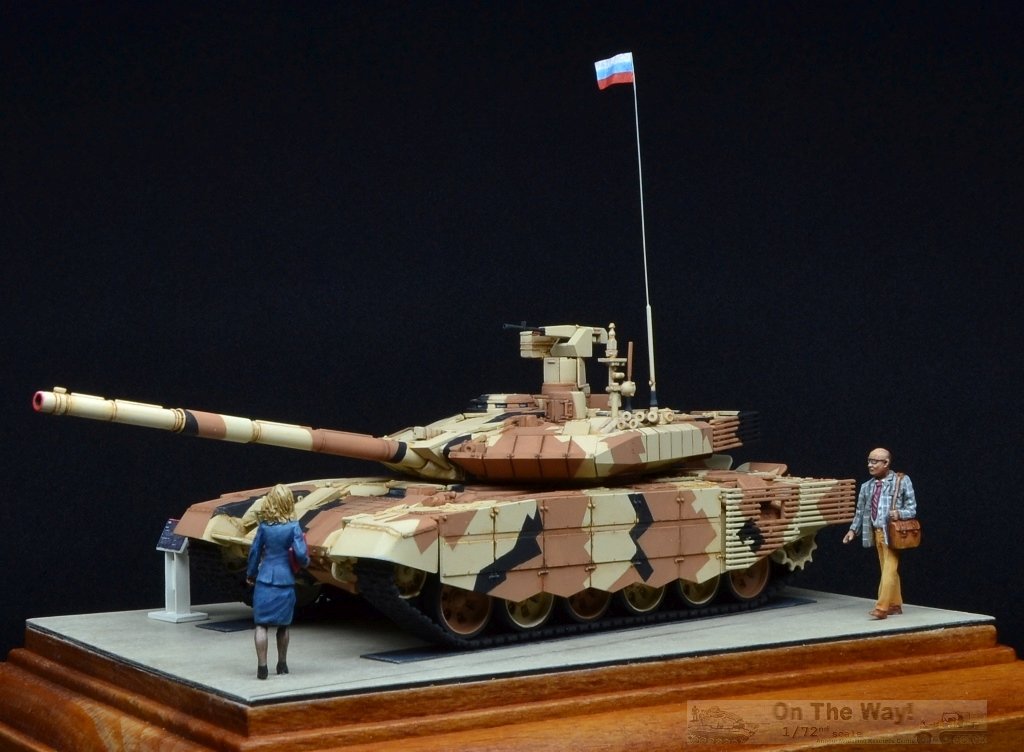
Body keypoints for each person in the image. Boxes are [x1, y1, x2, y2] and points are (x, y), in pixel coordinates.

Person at [842, 448, 917, 620]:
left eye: (874, 461)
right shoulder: (866, 487)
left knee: (889, 570)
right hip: (876, 534)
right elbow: (860, 511)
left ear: (886, 463)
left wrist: (899, 513)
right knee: (887, 569)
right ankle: (895, 604)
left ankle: (882, 607)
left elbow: (912, 508)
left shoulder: (901, 481)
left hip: (893, 534)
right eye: (869, 461)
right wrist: (853, 530)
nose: (870, 465)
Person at [246, 483, 309, 679]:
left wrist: (251, 573)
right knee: (283, 626)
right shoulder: (293, 527)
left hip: (265, 579)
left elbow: (255, 552)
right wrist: (305, 563)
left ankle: (262, 667)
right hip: (285, 580)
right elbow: (301, 554)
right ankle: (282, 664)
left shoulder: (264, 527)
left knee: (261, 625)